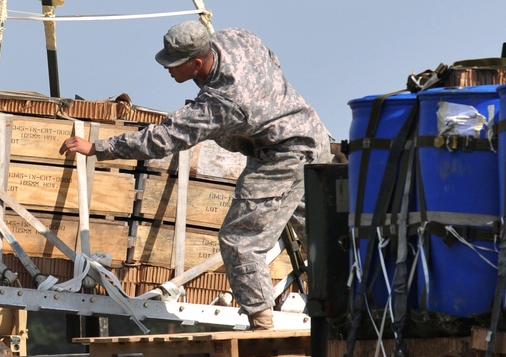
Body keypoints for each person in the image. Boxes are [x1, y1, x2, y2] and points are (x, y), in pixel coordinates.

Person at [60, 21, 330, 330]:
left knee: (240, 239)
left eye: (174, 63)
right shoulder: (237, 39)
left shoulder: (220, 103)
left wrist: (98, 147)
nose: (167, 69)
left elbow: (163, 139)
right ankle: (350, 303)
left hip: (283, 155)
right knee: (319, 234)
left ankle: (262, 326)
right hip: (313, 135)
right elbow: (272, 60)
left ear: (197, 63)